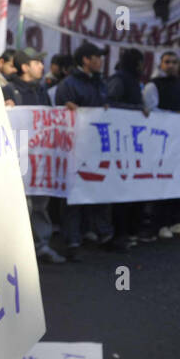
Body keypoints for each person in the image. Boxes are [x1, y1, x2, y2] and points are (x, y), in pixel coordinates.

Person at [2, 48, 65, 264]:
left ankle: (41, 246)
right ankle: (16, 251)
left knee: (40, 204)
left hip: (39, 160)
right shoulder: (8, 90)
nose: (41, 67)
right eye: (37, 63)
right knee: (21, 205)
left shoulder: (42, 91)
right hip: (18, 159)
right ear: (25, 67)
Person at [54, 42, 116, 259]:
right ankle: (73, 241)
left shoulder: (100, 83)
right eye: (97, 57)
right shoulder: (69, 85)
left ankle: (102, 234)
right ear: (86, 60)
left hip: (97, 148)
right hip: (75, 149)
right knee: (74, 193)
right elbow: (58, 116)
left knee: (100, 188)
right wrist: (67, 109)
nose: (101, 61)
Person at [105, 47, 154, 247]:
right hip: (121, 143)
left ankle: (130, 230)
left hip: (133, 143)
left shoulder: (133, 80)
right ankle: (119, 233)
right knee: (121, 190)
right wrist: (135, 111)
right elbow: (111, 104)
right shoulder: (119, 80)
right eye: (140, 62)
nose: (142, 66)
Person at [147, 52, 180, 239]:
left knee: (179, 180)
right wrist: (174, 115)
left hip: (179, 142)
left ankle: (176, 221)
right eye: (167, 62)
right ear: (160, 64)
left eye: (174, 62)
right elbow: (151, 110)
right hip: (161, 143)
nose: (171, 65)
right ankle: (160, 224)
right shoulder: (153, 86)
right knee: (163, 183)